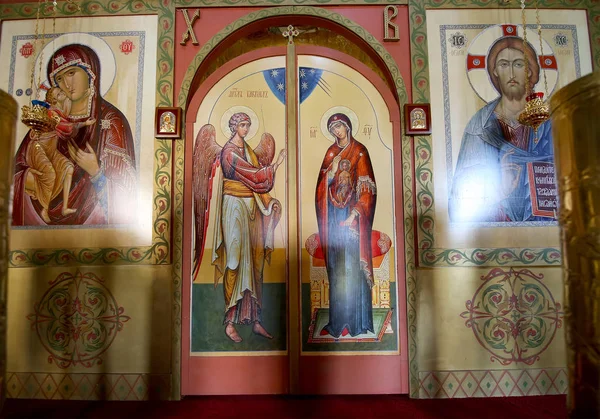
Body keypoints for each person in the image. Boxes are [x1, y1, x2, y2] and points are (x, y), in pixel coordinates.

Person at [13, 43, 136, 226]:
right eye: (60, 79)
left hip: (94, 229)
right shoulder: (48, 120)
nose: (67, 84)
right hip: (40, 219)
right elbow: (17, 172)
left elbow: (128, 194)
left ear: (90, 72)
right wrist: (28, 177)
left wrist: (95, 172)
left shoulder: (111, 120)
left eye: (71, 73)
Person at [449, 36, 555, 223]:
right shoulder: (480, 125)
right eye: (504, 65)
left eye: (519, 64)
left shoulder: (549, 122)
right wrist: (499, 190)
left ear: (530, 70)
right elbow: (459, 203)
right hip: (496, 230)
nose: (512, 72)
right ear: (495, 72)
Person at [212, 112, 286, 343]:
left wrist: (268, 203)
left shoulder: (249, 150)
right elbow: (253, 176)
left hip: (251, 206)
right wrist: (276, 165)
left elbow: (257, 186)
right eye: (243, 125)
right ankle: (229, 322)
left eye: (248, 125)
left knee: (254, 263)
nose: (246, 129)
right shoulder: (229, 152)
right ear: (234, 127)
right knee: (234, 261)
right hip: (233, 206)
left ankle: (255, 321)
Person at [315, 113, 376, 338]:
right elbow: (321, 188)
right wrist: (329, 175)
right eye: (333, 128)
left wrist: (354, 215)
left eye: (339, 127)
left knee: (353, 269)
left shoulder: (359, 152)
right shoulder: (331, 153)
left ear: (348, 127)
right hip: (333, 218)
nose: (336, 131)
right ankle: (338, 323)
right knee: (338, 269)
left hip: (353, 221)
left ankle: (357, 323)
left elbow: (368, 189)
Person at [25, 87, 95, 223]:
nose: (63, 92)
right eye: (59, 93)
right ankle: (45, 209)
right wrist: (85, 123)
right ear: (54, 99)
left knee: (68, 168)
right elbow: (66, 127)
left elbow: (67, 120)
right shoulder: (52, 112)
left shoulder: (60, 111)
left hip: (50, 149)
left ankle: (65, 208)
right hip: (39, 148)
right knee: (50, 174)